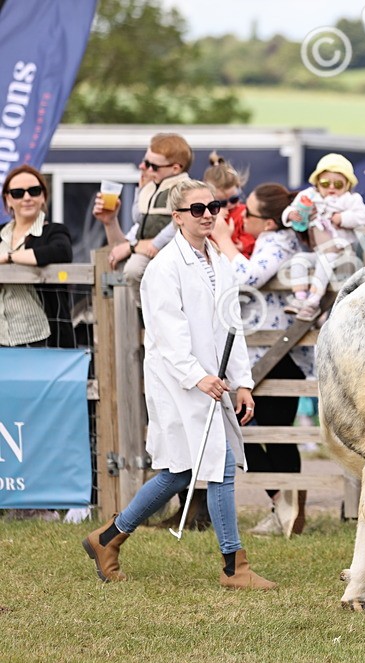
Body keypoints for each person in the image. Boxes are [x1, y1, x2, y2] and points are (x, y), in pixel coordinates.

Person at [82, 179, 276, 590]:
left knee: (178, 473)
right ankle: (233, 567)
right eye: (197, 208)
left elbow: (232, 326)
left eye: (214, 205)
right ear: (177, 217)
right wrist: (197, 376)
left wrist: (242, 381)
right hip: (179, 382)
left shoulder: (220, 262)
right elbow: (167, 335)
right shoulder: (164, 268)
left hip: (214, 383)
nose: (208, 213)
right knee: (217, 467)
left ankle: (107, 538)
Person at [212, 182, 312, 535]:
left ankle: (287, 509)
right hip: (273, 351)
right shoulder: (278, 240)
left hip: (276, 353)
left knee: (259, 431)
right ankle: (285, 509)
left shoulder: (276, 243)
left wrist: (224, 240)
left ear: (268, 222)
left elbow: (249, 277)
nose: (241, 217)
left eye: (248, 213)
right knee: (268, 432)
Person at [92, 132, 193, 299]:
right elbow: (133, 226)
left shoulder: (183, 189)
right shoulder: (151, 188)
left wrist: (143, 245)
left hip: (174, 261)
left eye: (152, 165)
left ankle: (150, 313)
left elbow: (179, 227)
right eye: (145, 162)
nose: (143, 167)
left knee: (133, 270)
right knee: (126, 267)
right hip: (151, 260)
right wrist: (110, 221)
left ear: (175, 168)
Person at [282, 153, 365, 321]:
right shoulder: (310, 196)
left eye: (338, 184)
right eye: (325, 183)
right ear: (317, 183)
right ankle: (300, 298)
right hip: (319, 251)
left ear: (347, 186)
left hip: (342, 254)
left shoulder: (349, 200)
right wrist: (291, 215)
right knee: (299, 259)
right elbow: (289, 209)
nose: (331, 187)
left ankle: (313, 302)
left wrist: (343, 218)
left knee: (324, 261)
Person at [1, 165, 72, 348]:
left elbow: (61, 252)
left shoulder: (54, 231)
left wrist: (9, 257)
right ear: (7, 200)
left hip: (42, 335)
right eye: (18, 193)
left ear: (43, 197)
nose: (27, 198)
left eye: (34, 191)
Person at [204, 151, 253, 258]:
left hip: (237, 258)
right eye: (221, 203)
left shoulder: (244, 212)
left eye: (234, 199)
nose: (229, 204)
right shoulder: (205, 214)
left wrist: (244, 244)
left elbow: (252, 234)